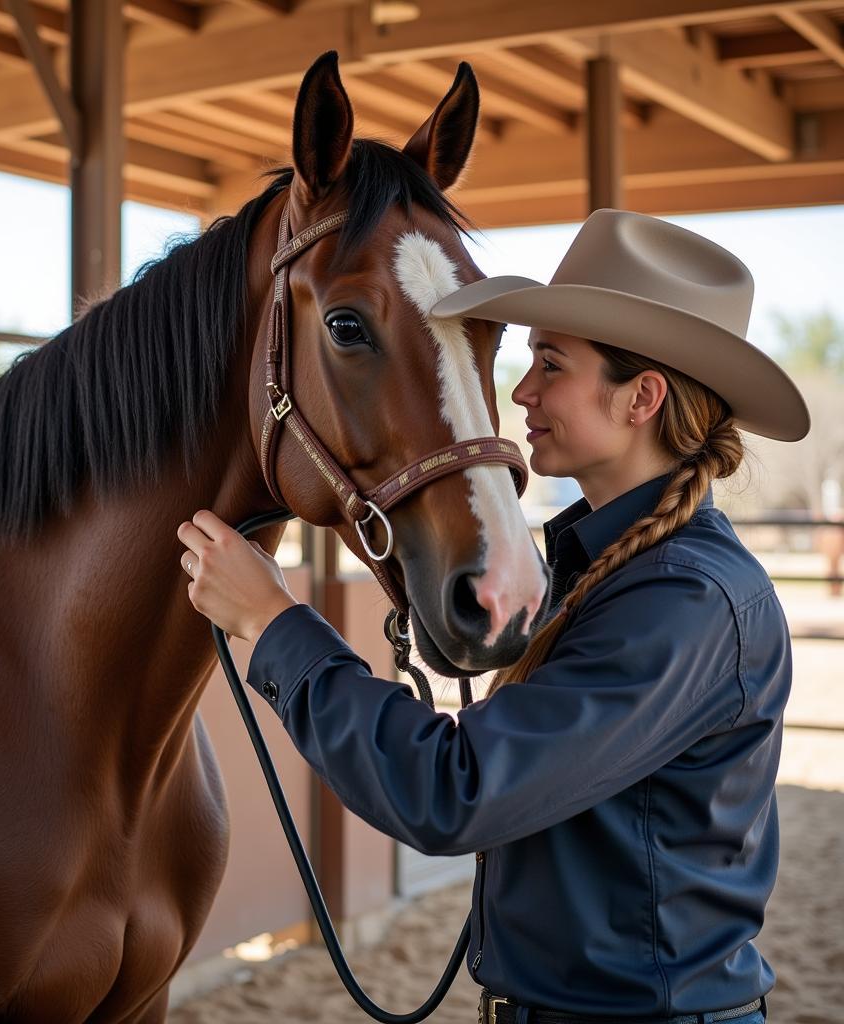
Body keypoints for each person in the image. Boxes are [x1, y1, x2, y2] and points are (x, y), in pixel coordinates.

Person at [176, 209, 810, 1024]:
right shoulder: (612, 571)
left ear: (641, 397)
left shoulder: (686, 603)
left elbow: (455, 793)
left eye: (551, 363)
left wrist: (274, 626)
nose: (521, 392)